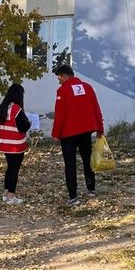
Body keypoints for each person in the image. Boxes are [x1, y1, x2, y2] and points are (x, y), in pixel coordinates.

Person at [51, 64, 104, 206]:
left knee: (70, 164)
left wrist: (56, 133)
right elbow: (96, 108)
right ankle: (91, 189)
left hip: (68, 134)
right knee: (87, 160)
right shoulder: (87, 87)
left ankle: (73, 196)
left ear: (64, 75)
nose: (59, 81)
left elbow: (60, 115)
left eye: (59, 78)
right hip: (86, 131)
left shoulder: (62, 90)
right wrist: (100, 128)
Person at [0, 83, 31, 205]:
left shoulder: (2, 107)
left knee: (10, 168)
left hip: (5, 144)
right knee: (14, 170)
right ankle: (11, 196)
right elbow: (22, 126)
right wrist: (29, 123)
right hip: (16, 144)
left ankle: (6, 193)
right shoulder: (17, 109)